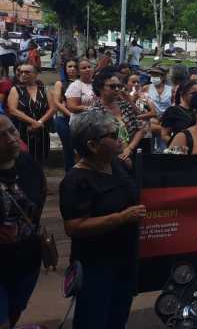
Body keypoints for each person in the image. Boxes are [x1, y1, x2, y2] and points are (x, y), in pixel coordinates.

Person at [59, 109, 146, 328]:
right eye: (114, 136)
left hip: (125, 258)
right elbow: (74, 226)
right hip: (96, 265)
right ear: (93, 145)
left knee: (118, 317)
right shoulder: (76, 180)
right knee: (93, 319)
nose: (121, 140)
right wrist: (121, 218)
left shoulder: (116, 164)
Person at [0, 115, 46, 329]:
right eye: (1, 136)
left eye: (12, 130)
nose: (11, 138)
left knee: (14, 313)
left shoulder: (29, 166)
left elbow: (38, 204)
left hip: (26, 261)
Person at [89, 67, 145, 165]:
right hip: (108, 159)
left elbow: (140, 128)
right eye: (112, 86)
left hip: (131, 153)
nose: (117, 89)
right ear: (100, 88)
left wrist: (129, 148)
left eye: (119, 86)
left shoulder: (125, 106)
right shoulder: (94, 112)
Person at [6, 64, 55, 164]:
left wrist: (40, 122)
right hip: (23, 131)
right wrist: (33, 122)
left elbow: (52, 108)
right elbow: (13, 110)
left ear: (35, 74)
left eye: (27, 72)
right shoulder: (16, 90)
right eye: (21, 72)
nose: (23, 74)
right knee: (24, 160)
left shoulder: (44, 89)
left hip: (42, 131)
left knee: (41, 159)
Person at [52, 58, 79, 170]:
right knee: (68, 147)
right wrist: (71, 115)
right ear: (65, 69)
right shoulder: (60, 83)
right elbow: (57, 102)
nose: (72, 69)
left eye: (75, 66)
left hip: (81, 119)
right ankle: (69, 172)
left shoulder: (83, 83)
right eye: (69, 66)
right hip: (64, 119)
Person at [161, 80, 197, 144]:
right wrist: (177, 145)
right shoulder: (172, 111)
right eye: (193, 93)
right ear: (183, 94)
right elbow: (164, 135)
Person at [126, 72, 157, 154]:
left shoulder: (145, 96)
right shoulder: (124, 97)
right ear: (127, 84)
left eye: (138, 82)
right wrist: (133, 99)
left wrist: (138, 117)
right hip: (130, 135)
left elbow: (154, 113)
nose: (136, 84)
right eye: (133, 82)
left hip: (146, 134)